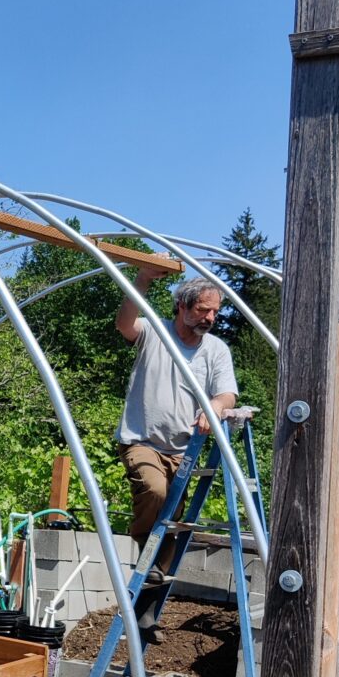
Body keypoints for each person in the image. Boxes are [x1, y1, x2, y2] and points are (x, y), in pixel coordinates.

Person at [114, 271, 238, 637]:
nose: (209, 318)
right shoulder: (155, 332)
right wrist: (143, 280)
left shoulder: (215, 350)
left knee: (170, 525)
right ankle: (143, 547)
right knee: (154, 491)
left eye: (215, 312)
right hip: (142, 440)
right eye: (202, 310)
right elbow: (124, 323)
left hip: (182, 450)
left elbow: (227, 394)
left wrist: (216, 406)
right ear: (181, 306)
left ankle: (146, 614)